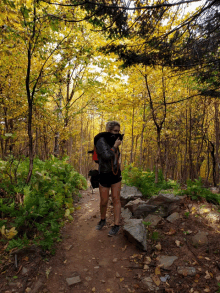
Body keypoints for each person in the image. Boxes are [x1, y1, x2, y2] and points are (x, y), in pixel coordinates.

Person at [95, 121, 123, 236]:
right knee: (104, 201)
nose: (117, 134)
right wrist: (115, 146)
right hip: (104, 174)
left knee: (116, 199)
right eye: (115, 131)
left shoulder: (114, 140)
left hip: (116, 174)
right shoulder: (101, 140)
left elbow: (116, 157)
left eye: (118, 131)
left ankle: (116, 225)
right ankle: (102, 220)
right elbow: (106, 156)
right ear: (109, 130)